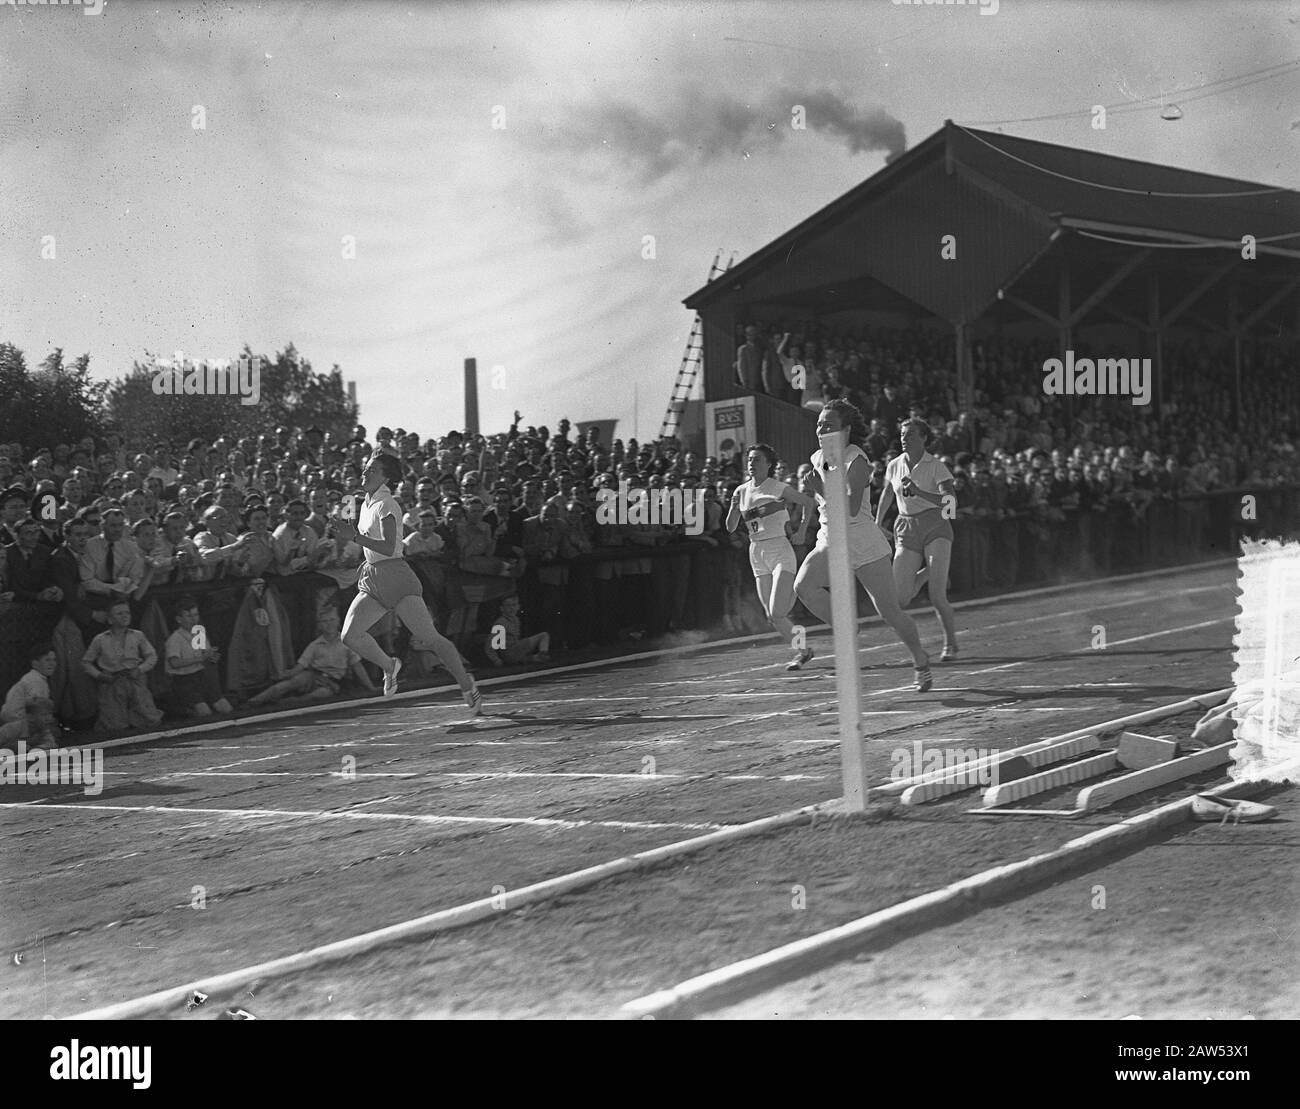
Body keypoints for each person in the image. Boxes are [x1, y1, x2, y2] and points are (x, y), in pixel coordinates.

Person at [793, 400, 932, 692]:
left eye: (828, 425)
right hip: (831, 539)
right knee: (804, 587)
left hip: (862, 542)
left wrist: (821, 489)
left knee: (890, 612)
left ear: (845, 430)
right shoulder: (817, 457)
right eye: (819, 424)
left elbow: (852, 508)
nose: (821, 429)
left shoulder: (856, 459)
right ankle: (847, 626)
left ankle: (920, 658)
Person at [330, 453, 482, 713]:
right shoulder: (365, 503)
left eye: (372, 470)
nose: (364, 474)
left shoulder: (387, 504)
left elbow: (389, 547)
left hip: (396, 577)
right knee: (350, 636)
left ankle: (467, 684)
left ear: (385, 477)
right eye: (365, 469)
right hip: (372, 576)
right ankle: (390, 666)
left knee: (430, 638)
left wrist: (354, 536)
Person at [726, 444, 818, 670]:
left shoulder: (778, 487)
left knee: (778, 611)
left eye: (757, 459)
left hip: (780, 550)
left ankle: (795, 590)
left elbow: (809, 502)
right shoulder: (740, 491)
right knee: (772, 615)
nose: (751, 463)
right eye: (749, 459)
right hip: (757, 552)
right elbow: (730, 527)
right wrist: (734, 508)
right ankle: (804, 650)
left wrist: (801, 531)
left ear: (768, 464)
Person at [877, 418, 960, 662]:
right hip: (906, 526)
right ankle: (927, 572)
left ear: (924, 438)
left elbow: (951, 505)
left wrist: (920, 492)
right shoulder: (894, 464)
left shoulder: (936, 466)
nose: (905, 438)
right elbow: (887, 493)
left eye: (911, 434)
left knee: (937, 596)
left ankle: (951, 644)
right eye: (903, 434)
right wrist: (877, 522)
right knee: (899, 599)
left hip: (935, 524)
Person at [248, 608, 376, 705]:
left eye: (332, 620)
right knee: (286, 685)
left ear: (338, 621)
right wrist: (286, 674)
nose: (329, 624)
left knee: (318, 695)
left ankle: (290, 702)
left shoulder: (347, 643)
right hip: (311, 675)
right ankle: (252, 702)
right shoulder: (315, 645)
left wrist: (370, 688)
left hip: (332, 682)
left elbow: (357, 667)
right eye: (325, 621)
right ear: (319, 625)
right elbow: (301, 666)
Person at [82, 599, 164, 732]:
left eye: (127, 613)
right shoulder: (100, 639)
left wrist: (140, 669)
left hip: (135, 679)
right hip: (111, 682)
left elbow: (152, 655)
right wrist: (100, 676)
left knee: (148, 719)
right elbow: (86, 662)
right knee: (114, 724)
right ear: (110, 619)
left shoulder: (138, 635)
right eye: (119, 614)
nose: (125, 616)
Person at [165, 597, 233, 716]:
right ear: (179, 619)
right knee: (204, 712)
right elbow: (174, 663)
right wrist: (201, 658)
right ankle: (187, 712)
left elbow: (207, 657)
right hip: (184, 680)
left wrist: (212, 658)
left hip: (202, 676)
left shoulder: (199, 634)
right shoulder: (175, 639)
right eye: (189, 616)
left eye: (195, 615)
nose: (193, 619)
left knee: (225, 708)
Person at [0, 642, 58, 745]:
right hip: (18, 727)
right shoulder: (34, 681)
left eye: (54, 660)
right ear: (35, 664)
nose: (52, 663)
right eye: (47, 660)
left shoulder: (37, 678)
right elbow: (38, 710)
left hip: (24, 724)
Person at [484, 594, 550, 667]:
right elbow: (489, 646)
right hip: (510, 653)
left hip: (516, 651)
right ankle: (542, 655)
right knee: (544, 635)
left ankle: (536, 657)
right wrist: (496, 660)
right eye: (508, 606)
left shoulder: (516, 620)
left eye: (514, 605)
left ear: (518, 607)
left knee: (536, 658)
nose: (511, 608)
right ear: (502, 608)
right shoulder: (500, 623)